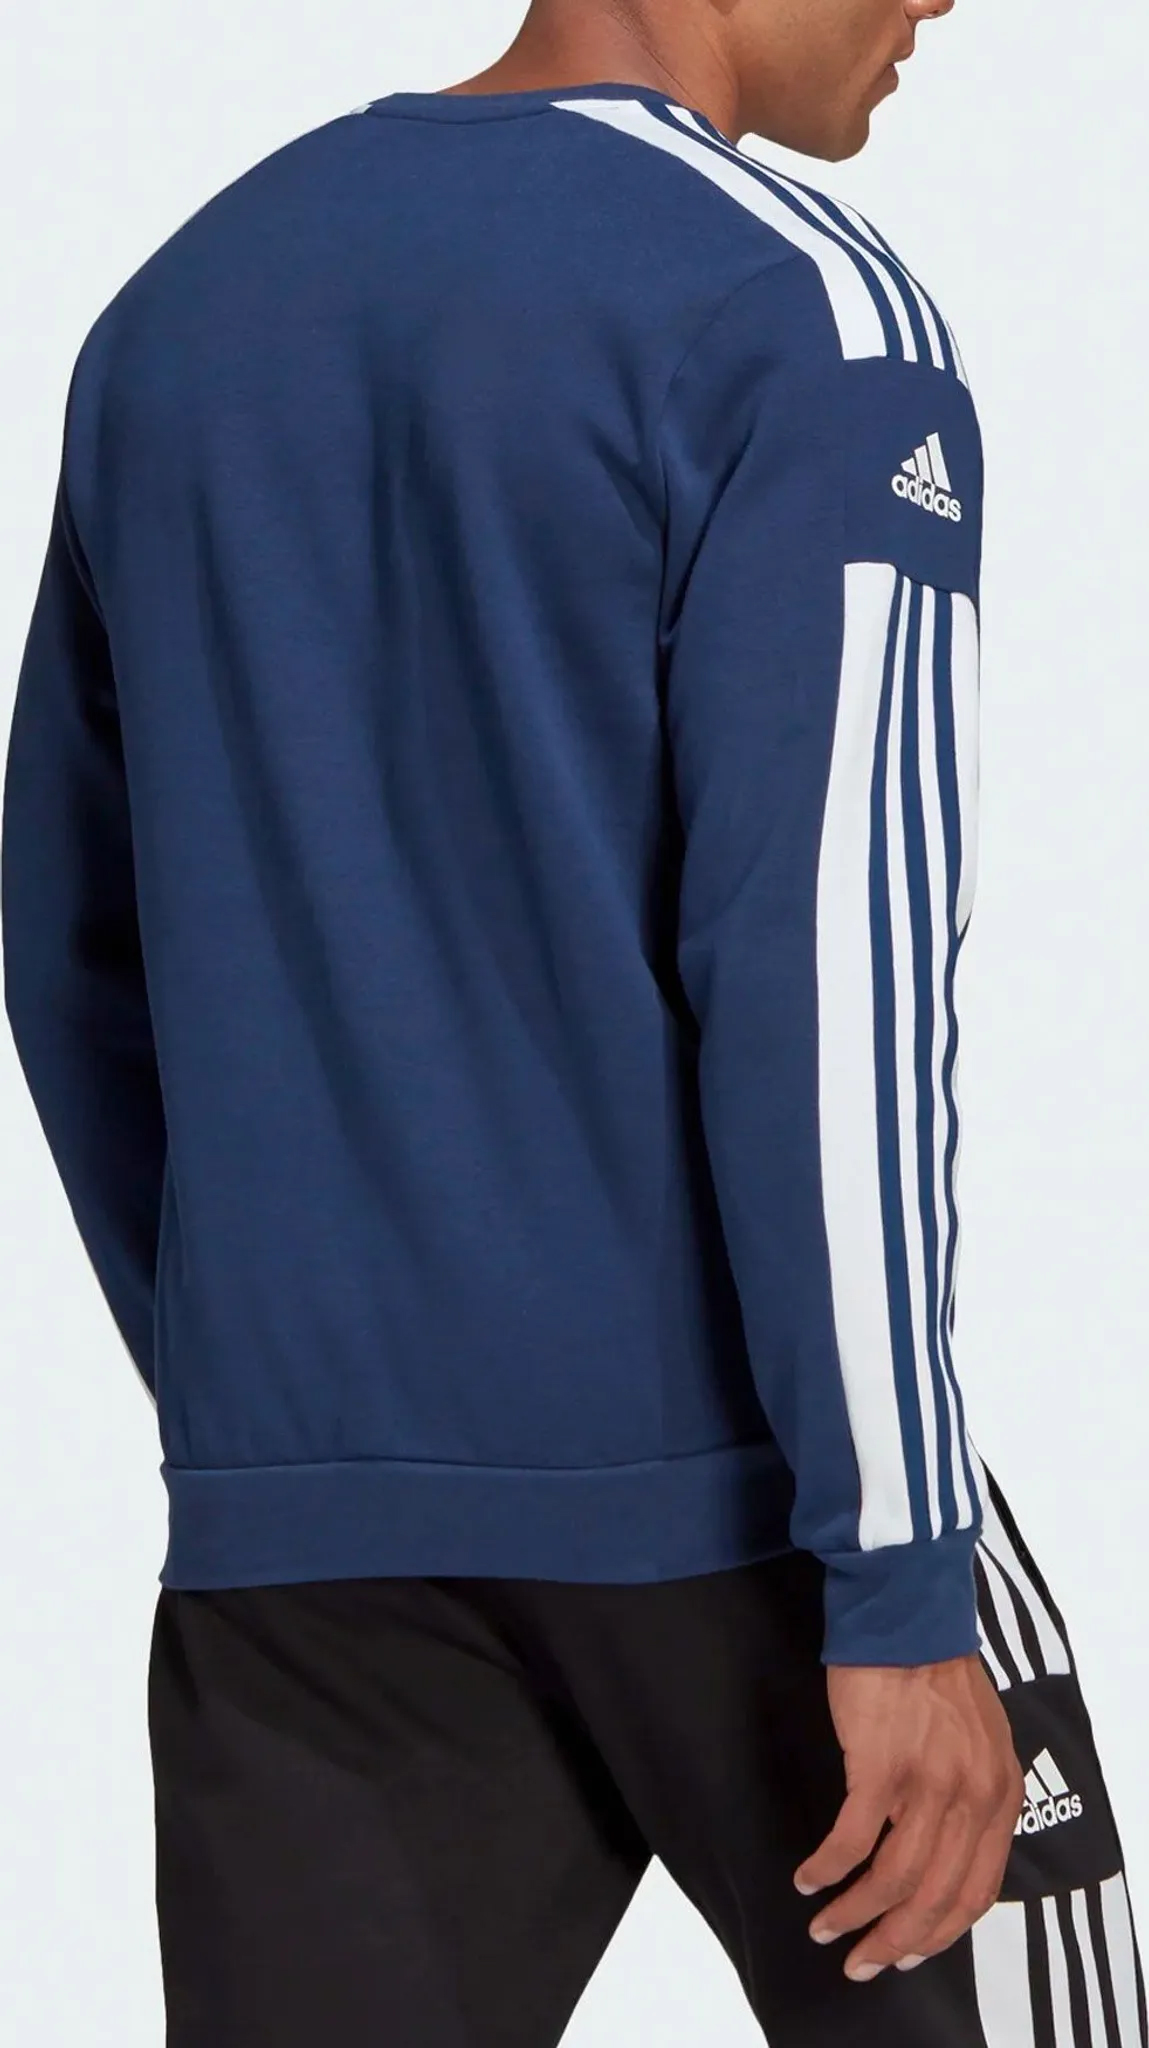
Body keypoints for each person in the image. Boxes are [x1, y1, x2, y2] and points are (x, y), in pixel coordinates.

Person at [1, 0, 1143, 2041]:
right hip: (760, 1509)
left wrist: (281, 1403)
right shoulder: (799, 313)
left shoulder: (175, 313)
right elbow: (831, 960)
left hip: (309, 1538)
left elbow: (73, 947)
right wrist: (895, 1578)